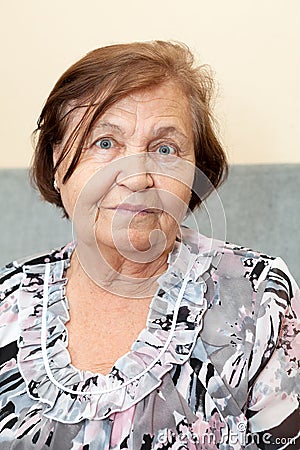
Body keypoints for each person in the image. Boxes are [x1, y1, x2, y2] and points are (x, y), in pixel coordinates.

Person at [0, 41, 299, 450]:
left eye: (164, 149)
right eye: (105, 143)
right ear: (56, 164)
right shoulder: (6, 300)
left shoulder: (261, 298)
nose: (137, 177)